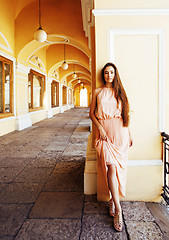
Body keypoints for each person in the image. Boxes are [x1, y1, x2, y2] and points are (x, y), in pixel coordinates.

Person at [90, 62, 133, 232]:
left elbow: (125, 115)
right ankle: (118, 210)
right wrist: (100, 128)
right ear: (103, 75)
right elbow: (91, 114)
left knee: (116, 170)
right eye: (106, 72)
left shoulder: (119, 92)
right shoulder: (97, 92)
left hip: (120, 133)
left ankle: (113, 202)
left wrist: (130, 133)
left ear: (115, 75)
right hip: (104, 134)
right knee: (111, 167)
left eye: (112, 72)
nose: (109, 75)